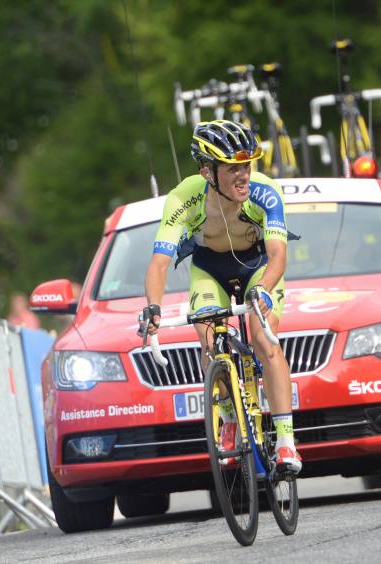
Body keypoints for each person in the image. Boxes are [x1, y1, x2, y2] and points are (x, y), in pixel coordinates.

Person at [140, 119, 301, 475]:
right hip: (209, 267)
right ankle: (229, 418)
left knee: (263, 339)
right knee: (209, 338)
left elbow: (278, 256)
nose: (244, 175)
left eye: (247, 165)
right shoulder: (184, 198)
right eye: (233, 169)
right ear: (208, 173)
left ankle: (287, 443)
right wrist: (152, 307)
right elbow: (159, 263)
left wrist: (263, 290)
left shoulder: (265, 191)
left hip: (258, 265)